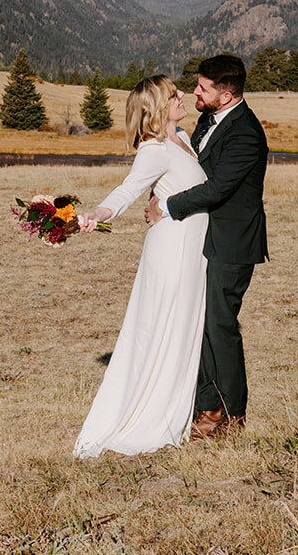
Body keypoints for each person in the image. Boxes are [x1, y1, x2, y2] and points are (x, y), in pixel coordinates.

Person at [72, 75, 209, 458]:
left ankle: (177, 405)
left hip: (191, 248)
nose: (183, 96)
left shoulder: (181, 136)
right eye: (174, 95)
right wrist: (96, 214)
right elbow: (128, 190)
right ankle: (154, 416)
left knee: (181, 328)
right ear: (156, 108)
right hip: (173, 251)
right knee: (167, 327)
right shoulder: (153, 148)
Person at [145, 53, 268, 440]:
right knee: (200, 323)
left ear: (227, 94)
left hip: (231, 244)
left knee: (220, 325)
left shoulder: (246, 133)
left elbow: (217, 188)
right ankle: (204, 403)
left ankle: (229, 413)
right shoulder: (205, 120)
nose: (195, 91)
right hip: (198, 239)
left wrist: (166, 206)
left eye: (203, 88)